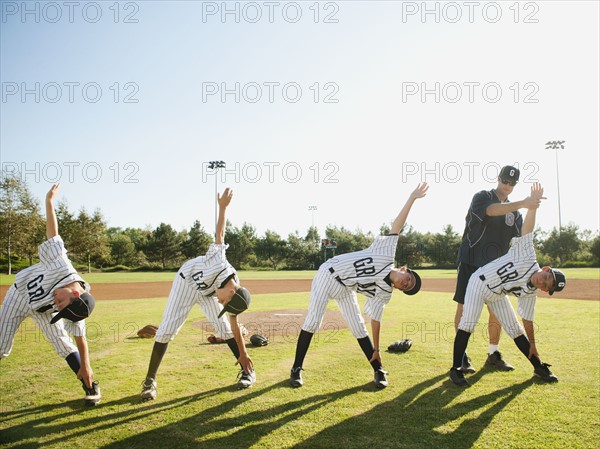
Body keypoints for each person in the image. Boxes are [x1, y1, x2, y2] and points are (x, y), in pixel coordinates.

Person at [290, 183, 428, 389]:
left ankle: (378, 370)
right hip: (328, 275)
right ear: (404, 268)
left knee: (358, 326)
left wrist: (378, 349)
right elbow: (397, 226)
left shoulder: (385, 293)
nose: (405, 283)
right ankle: (296, 369)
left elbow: (375, 319)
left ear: (399, 290)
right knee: (313, 322)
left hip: (346, 288)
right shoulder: (386, 253)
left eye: (406, 287)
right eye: (408, 279)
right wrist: (412, 198)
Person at [141, 187, 253, 400]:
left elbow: (235, 325)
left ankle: (247, 372)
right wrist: (222, 208)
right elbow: (220, 233)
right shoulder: (218, 260)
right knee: (165, 330)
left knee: (225, 328)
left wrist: (244, 354)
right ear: (231, 291)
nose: (223, 305)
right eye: (225, 302)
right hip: (186, 282)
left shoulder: (232, 296)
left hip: (208, 292)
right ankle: (149, 381)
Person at [450, 182, 566, 386]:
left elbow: (527, 320)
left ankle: (538, 367)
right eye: (547, 278)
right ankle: (456, 369)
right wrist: (532, 206)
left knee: (515, 328)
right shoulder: (528, 254)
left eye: (547, 287)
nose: (544, 283)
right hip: (479, 282)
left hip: (496, 294)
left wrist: (533, 347)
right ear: (546, 269)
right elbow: (528, 229)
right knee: (469, 321)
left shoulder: (531, 292)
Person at [0, 183, 101, 406]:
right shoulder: (60, 264)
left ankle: (90, 385)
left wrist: (86, 365)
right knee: (1, 346)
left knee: (63, 344)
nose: (59, 304)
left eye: (61, 308)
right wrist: (49, 202)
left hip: (42, 310)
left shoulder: (76, 306)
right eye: (62, 303)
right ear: (75, 293)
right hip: (18, 296)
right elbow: (53, 234)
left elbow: (80, 338)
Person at [453, 165, 542, 374]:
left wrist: (532, 207)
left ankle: (493, 353)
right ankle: (462, 356)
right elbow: (491, 210)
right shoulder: (482, 196)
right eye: (505, 181)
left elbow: (524, 233)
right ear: (498, 179)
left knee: (496, 310)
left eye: (512, 183)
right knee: (463, 308)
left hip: (494, 269)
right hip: (470, 260)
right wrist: (523, 202)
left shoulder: (515, 212)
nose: (507, 186)